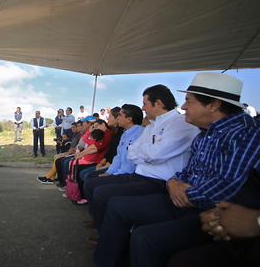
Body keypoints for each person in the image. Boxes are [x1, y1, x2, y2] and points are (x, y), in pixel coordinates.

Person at [94, 73, 260, 267]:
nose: (183, 107)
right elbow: (185, 170)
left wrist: (182, 191)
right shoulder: (205, 134)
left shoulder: (243, 135)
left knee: (145, 238)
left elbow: (228, 187)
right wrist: (173, 183)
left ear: (214, 105)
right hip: (180, 197)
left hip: (208, 209)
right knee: (117, 207)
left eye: (189, 101)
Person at [83, 84, 200, 240]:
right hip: (140, 175)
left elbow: (155, 154)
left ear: (158, 103)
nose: (143, 108)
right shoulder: (153, 125)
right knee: (92, 184)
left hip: (159, 182)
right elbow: (133, 153)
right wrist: (148, 153)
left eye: (145, 104)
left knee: (103, 193)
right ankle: (104, 229)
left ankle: (108, 234)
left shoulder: (181, 124)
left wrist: (147, 153)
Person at [72, 119, 112, 204]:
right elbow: (87, 141)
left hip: (97, 161)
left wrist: (81, 154)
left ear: (103, 124)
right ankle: (77, 193)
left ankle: (82, 196)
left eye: (96, 125)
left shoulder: (106, 134)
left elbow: (95, 147)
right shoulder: (100, 134)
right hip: (96, 160)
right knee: (74, 166)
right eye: (94, 126)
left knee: (82, 172)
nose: (95, 127)